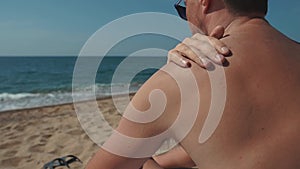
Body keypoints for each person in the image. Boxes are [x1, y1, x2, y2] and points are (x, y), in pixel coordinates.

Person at [86, 0, 300, 168]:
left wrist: (144, 159)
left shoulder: (178, 77)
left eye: (183, 7)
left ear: (204, 1)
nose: (185, 18)